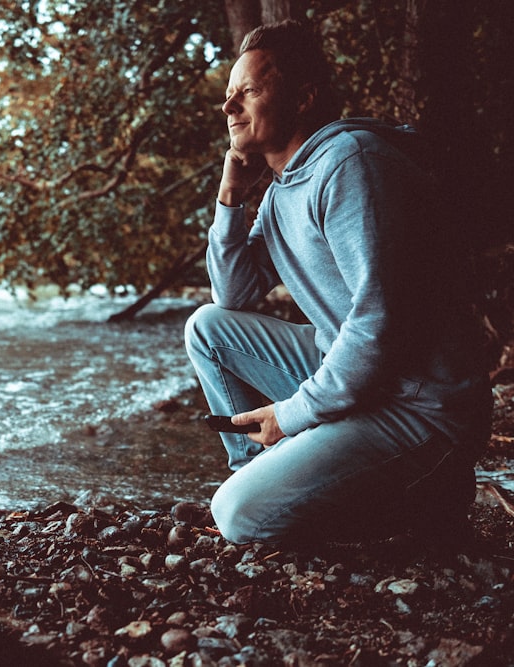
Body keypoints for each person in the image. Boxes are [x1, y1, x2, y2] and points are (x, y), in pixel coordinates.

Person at [183, 20, 492, 545]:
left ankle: (425, 497)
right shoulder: (284, 189)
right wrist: (230, 198)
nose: (228, 108)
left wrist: (291, 414)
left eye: (248, 92)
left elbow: (379, 321)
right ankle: (271, 475)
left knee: (238, 516)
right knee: (209, 329)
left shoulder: (351, 165)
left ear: (304, 97)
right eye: (229, 95)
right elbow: (232, 297)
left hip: (423, 410)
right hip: (367, 387)